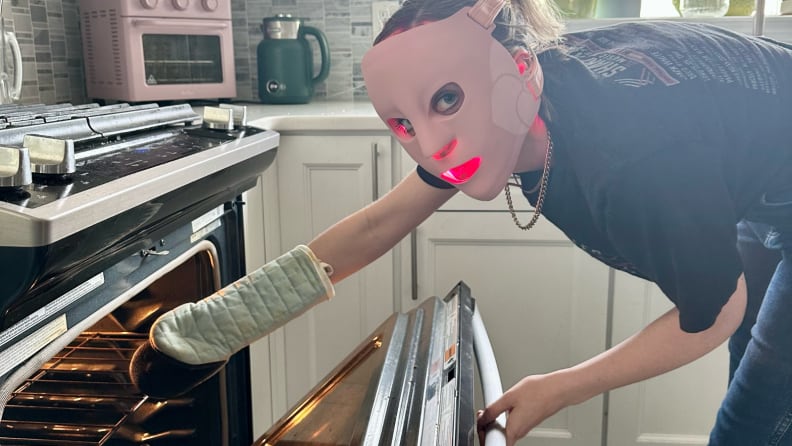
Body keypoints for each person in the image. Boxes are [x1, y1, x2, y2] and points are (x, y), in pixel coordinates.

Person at [141, 0, 792, 443]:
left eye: (446, 100)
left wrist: (557, 388)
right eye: (406, 123)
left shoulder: (629, 164)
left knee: (756, 418)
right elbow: (377, 226)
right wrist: (222, 322)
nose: (432, 146)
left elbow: (711, 311)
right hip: (763, 183)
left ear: (520, 71)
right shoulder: (506, 107)